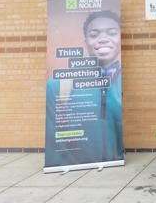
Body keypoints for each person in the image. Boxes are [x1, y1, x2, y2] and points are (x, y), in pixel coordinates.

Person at [45, 10, 124, 167]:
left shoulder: (125, 83)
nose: (103, 39)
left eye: (112, 33)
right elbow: (53, 139)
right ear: (85, 42)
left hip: (116, 162)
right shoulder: (58, 85)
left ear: (120, 39)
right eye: (94, 34)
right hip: (77, 164)